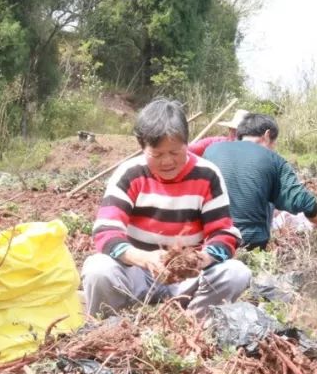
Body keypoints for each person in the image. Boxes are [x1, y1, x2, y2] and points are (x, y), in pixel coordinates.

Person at [82, 98, 251, 316]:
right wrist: (143, 258)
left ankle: (196, 324)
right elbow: (106, 232)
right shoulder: (130, 174)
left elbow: (223, 234)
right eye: (157, 154)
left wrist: (200, 260)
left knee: (236, 273)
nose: (167, 162)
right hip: (137, 272)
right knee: (98, 269)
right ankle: (108, 327)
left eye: (175, 152)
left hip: (188, 279)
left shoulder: (208, 175)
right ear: (142, 146)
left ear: (187, 144)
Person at [204, 113, 317, 250]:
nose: (274, 148)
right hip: (249, 242)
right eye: (274, 143)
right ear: (267, 135)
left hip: (210, 239)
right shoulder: (273, 159)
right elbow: (305, 202)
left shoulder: (211, 150)